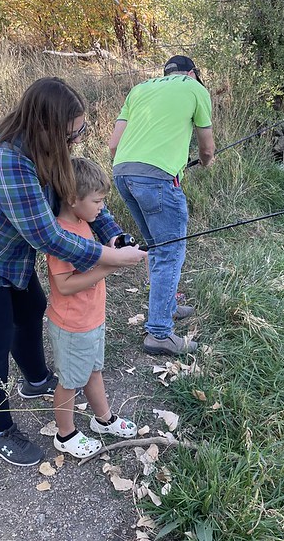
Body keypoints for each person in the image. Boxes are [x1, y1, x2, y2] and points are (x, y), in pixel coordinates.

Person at [0, 77, 146, 467]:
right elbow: (47, 236)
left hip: (2, 257)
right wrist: (107, 259)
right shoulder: (5, 157)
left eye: (80, 132)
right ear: (45, 126)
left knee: (30, 306)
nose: (76, 141)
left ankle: (36, 380)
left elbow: (85, 200)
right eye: (71, 134)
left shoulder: (49, 151)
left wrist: (116, 238)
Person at [108, 55, 215, 357]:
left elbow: (114, 144)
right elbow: (206, 147)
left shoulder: (140, 89)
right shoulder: (195, 88)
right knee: (170, 252)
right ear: (192, 72)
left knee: (157, 246)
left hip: (123, 173)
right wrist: (207, 162)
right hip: (157, 180)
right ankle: (159, 333)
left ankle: (167, 306)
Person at [47, 157, 138, 458]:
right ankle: (65, 434)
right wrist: (111, 266)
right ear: (73, 199)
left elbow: (96, 257)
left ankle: (104, 419)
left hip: (92, 318)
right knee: (70, 382)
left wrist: (116, 252)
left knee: (93, 371)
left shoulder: (83, 222)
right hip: (72, 325)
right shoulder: (61, 235)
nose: (102, 208)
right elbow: (65, 285)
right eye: (98, 201)